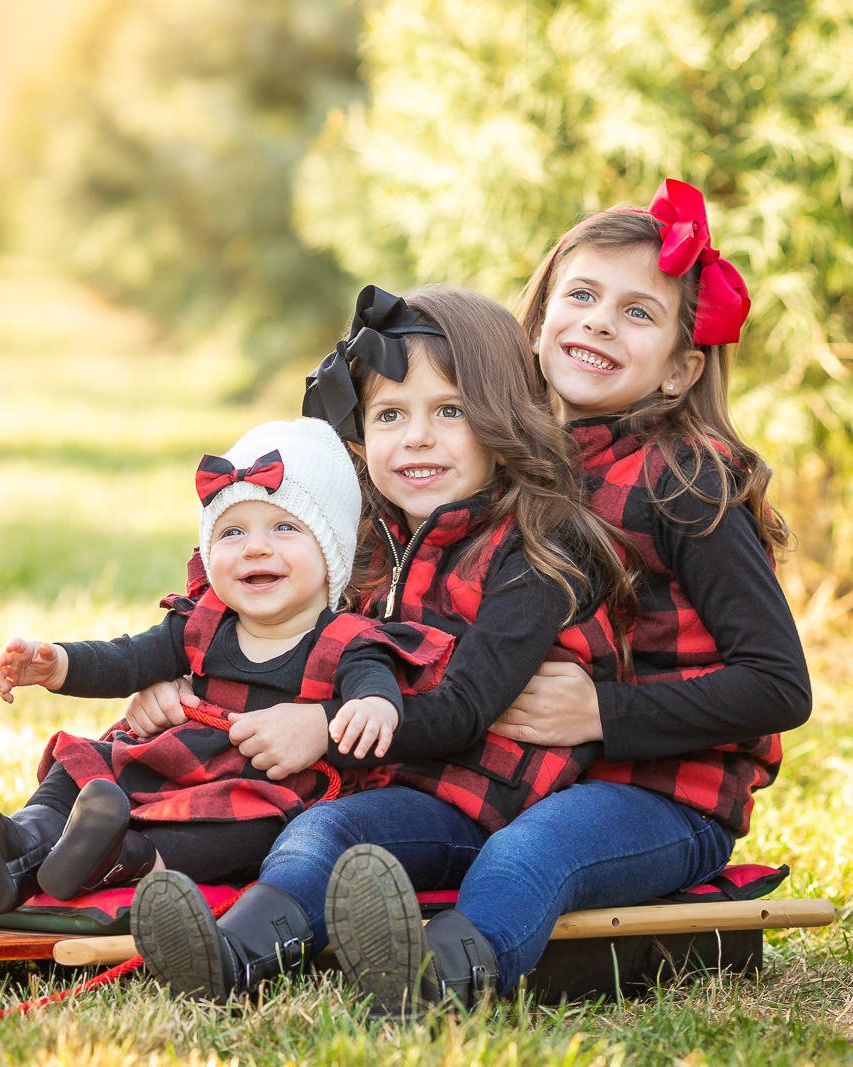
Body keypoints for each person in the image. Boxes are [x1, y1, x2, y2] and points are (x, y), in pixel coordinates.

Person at [314, 178, 813, 1011]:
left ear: (682, 367)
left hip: (659, 794)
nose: (598, 321)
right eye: (580, 294)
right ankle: (270, 936)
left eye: (638, 312)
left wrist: (601, 713)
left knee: (529, 857)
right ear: (538, 321)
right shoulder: (501, 457)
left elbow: (779, 685)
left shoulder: (685, 480)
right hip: (515, 779)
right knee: (358, 827)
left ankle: (438, 986)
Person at [129, 284, 631, 1000]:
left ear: (503, 421)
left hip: (483, 801)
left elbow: (464, 709)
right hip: (388, 783)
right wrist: (182, 671)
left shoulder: (537, 555)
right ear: (360, 433)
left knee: (336, 830)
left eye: (449, 411)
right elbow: (263, 603)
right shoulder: (372, 534)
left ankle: (435, 978)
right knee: (303, 828)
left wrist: (325, 726)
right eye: (391, 414)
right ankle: (230, 955)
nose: (415, 437)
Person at [0, 417, 455, 917]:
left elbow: (375, 692)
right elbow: (125, 658)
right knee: (80, 770)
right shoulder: (200, 623)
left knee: (238, 828)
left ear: (331, 551)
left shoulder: (351, 639)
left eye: (283, 529)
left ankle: (95, 857)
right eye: (232, 532)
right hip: (156, 767)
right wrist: (55, 662)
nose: (254, 549)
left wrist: (367, 710)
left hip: (238, 795)